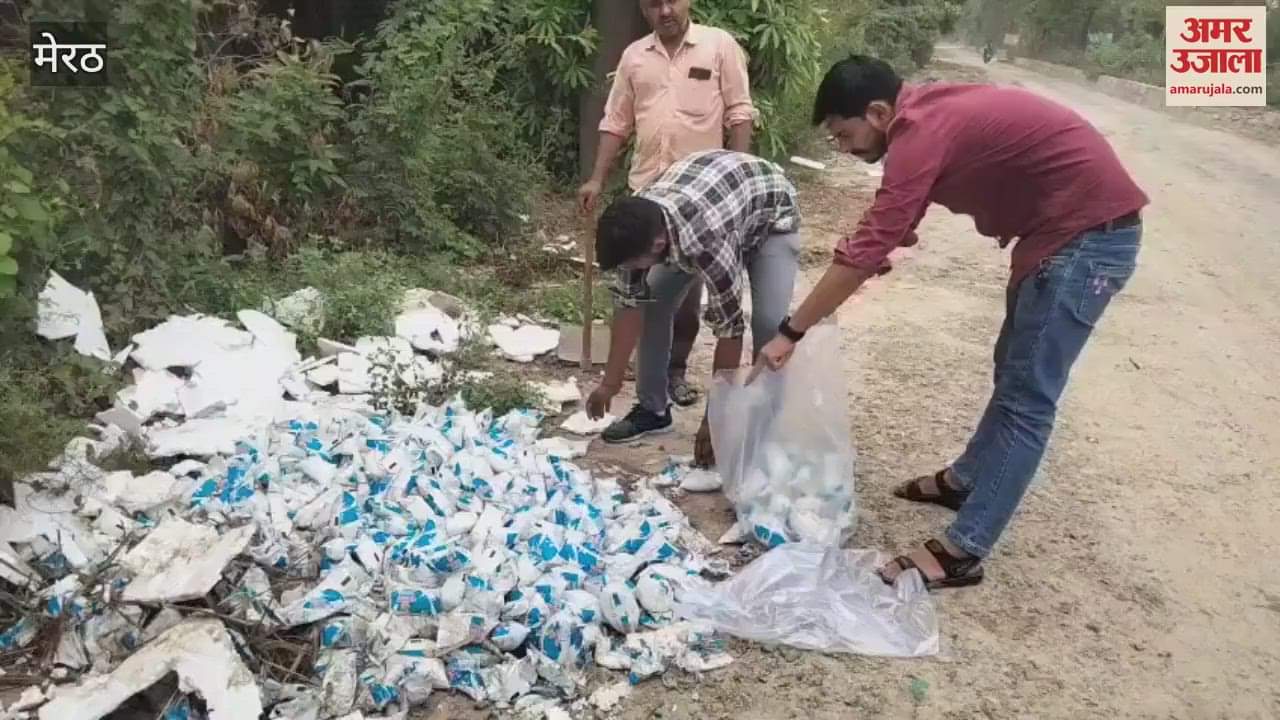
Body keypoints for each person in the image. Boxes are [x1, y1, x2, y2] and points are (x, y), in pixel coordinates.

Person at [755, 55, 1148, 590]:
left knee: (1028, 398)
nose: (845, 149)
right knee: (1011, 369)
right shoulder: (923, 119)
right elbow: (888, 226)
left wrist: (791, 331)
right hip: (1061, 235)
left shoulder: (918, 132)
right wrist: (878, 243)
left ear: (877, 111)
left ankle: (966, 548)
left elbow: (868, 249)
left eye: (845, 135)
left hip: (1087, 239)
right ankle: (966, 480)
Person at [579, 0, 756, 412]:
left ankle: (675, 370)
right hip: (647, 192)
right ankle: (646, 384)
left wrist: (739, 169)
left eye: (671, 1)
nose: (664, 11)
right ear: (643, 9)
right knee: (635, 292)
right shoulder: (635, 57)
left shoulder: (718, 46)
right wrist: (596, 178)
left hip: (698, 203)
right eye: (653, 4)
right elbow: (616, 120)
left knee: (686, 300)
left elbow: (740, 113)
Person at [586, 150, 800, 465]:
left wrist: (714, 421)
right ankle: (653, 410)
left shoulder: (707, 241)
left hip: (770, 216)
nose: (628, 269)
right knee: (653, 304)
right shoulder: (635, 226)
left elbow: (730, 330)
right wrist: (610, 383)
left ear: (657, 247)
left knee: (769, 324)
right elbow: (629, 306)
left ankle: (759, 427)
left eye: (632, 264)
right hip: (708, 201)